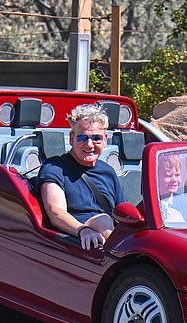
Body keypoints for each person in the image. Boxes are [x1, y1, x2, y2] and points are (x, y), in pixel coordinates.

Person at [38, 104, 124, 250]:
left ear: (105, 140)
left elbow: (122, 215)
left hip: (109, 244)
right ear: (72, 139)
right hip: (75, 244)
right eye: (82, 138)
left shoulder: (108, 171)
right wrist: (83, 230)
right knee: (102, 221)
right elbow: (56, 212)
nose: (89, 145)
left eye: (96, 138)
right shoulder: (54, 168)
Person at [158, 154, 185, 223]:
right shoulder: (151, 203)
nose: (174, 180)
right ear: (157, 178)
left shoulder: (184, 203)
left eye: (177, 175)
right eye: (168, 176)